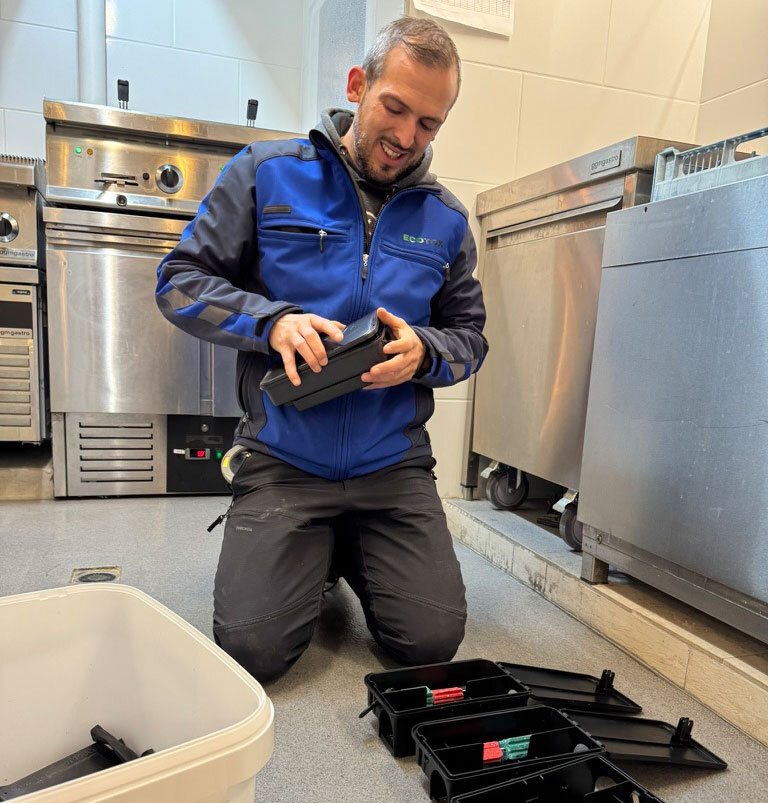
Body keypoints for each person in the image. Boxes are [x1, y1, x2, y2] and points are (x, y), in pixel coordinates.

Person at [155, 16, 487, 682]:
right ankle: (315, 546)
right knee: (252, 649)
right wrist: (271, 322)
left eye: (429, 124)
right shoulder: (266, 173)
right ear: (358, 85)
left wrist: (423, 352)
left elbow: (470, 339)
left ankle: (345, 546)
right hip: (285, 457)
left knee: (429, 642)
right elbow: (179, 282)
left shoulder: (448, 220)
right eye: (395, 108)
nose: (406, 137)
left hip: (392, 466)